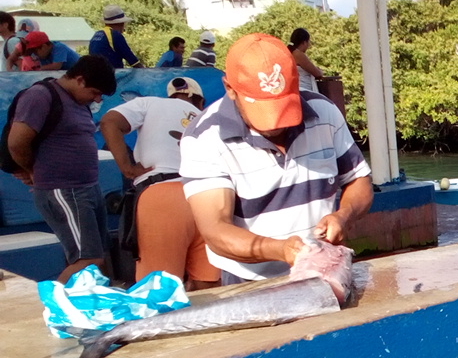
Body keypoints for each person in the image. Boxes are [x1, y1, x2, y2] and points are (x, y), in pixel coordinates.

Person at [179, 32, 373, 284]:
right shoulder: (204, 138)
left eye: (283, 108)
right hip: (248, 281)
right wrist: (281, 250)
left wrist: (343, 215)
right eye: (263, 110)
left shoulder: (324, 112)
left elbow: (359, 180)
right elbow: (216, 231)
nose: (276, 125)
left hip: (326, 269)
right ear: (230, 89)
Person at [100, 76, 220, 290]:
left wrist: (128, 167)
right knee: (210, 287)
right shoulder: (208, 117)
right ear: (200, 101)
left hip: (162, 195)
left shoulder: (149, 103)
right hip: (208, 197)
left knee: (158, 291)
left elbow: (109, 122)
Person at [6, 56, 118, 283]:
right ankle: (54, 304)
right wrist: (32, 171)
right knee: (87, 260)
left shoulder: (78, 103)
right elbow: (16, 143)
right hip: (64, 190)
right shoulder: (40, 96)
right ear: (79, 80)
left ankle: (97, 304)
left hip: (87, 188)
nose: (97, 99)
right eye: (95, 92)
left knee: (98, 256)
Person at [286, 28, 323, 93]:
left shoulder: (288, 53)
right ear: (304, 42)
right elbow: (317, 73)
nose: (309, 45)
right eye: (309, 42)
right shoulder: (298, 54)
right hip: (303, 90)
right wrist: (320, 71)